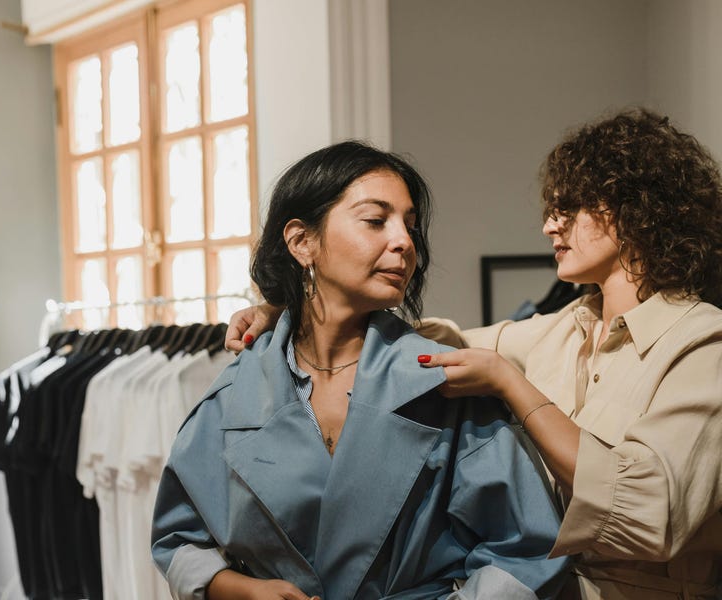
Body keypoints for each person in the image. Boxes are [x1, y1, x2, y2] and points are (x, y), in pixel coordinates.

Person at [224, 109, 722, 599]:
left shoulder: (703, 344)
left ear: (631, 210)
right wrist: (291, 310)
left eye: (568, 208)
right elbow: (435, 341)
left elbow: (651, 512)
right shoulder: (562, 331)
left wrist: (513, 385)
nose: (550, 226)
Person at [151, 141, 570, 599]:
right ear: (301, 242)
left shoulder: (447, 385)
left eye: (410, 226)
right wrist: (234, 589)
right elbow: (179, 538)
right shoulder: (234, 397)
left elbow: (527, 547)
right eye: (376, 220)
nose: (404, 242)